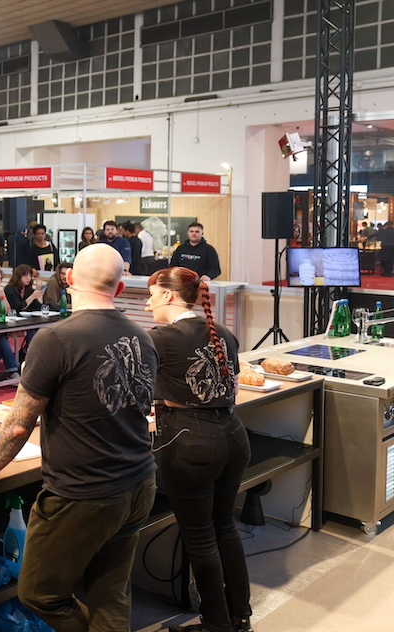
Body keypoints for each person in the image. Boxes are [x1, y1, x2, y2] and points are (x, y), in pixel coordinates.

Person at [0, 244, 158, 632]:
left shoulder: (55, 339)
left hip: (84, 492)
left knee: (39, 592)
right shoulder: (143, 337)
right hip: (140, 482)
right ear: (121, 287)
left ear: (70, 279)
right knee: (111, 593)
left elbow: (20, 423)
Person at [146, 267, 251, 632]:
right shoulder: (222, 332)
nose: (147, 304)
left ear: (170, 296)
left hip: (191, 441)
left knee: (200, 536)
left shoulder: (160, 338)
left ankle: (215, 625)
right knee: (224, 526)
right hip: (234, 436)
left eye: (152, 295)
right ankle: (240, 616)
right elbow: (233, 387)